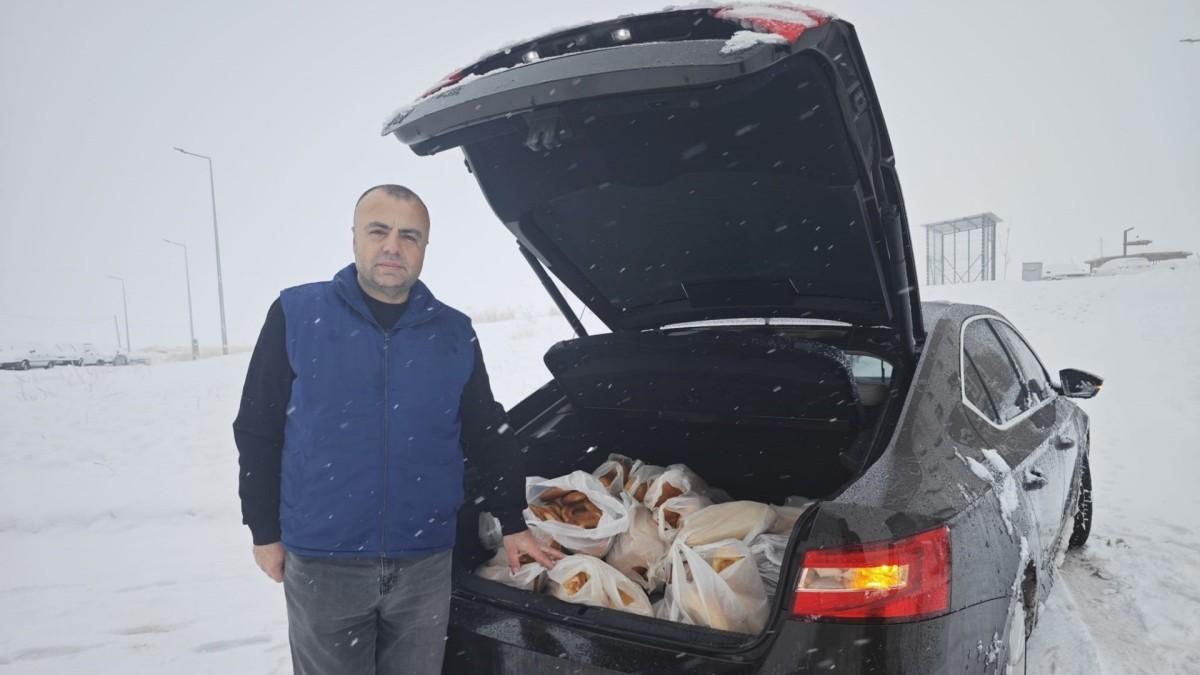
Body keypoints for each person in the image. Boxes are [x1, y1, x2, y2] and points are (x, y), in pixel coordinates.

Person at [233, 184, 563, 674]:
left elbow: (485, 429)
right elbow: (257, 428)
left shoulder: (453, 332)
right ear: (354, 239)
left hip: (424, 561)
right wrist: (264, 530)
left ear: (425, 248)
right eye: (379, 230)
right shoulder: (297, 315)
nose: (393, 246)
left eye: (410, 235)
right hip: (326, 560)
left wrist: (511, 520)